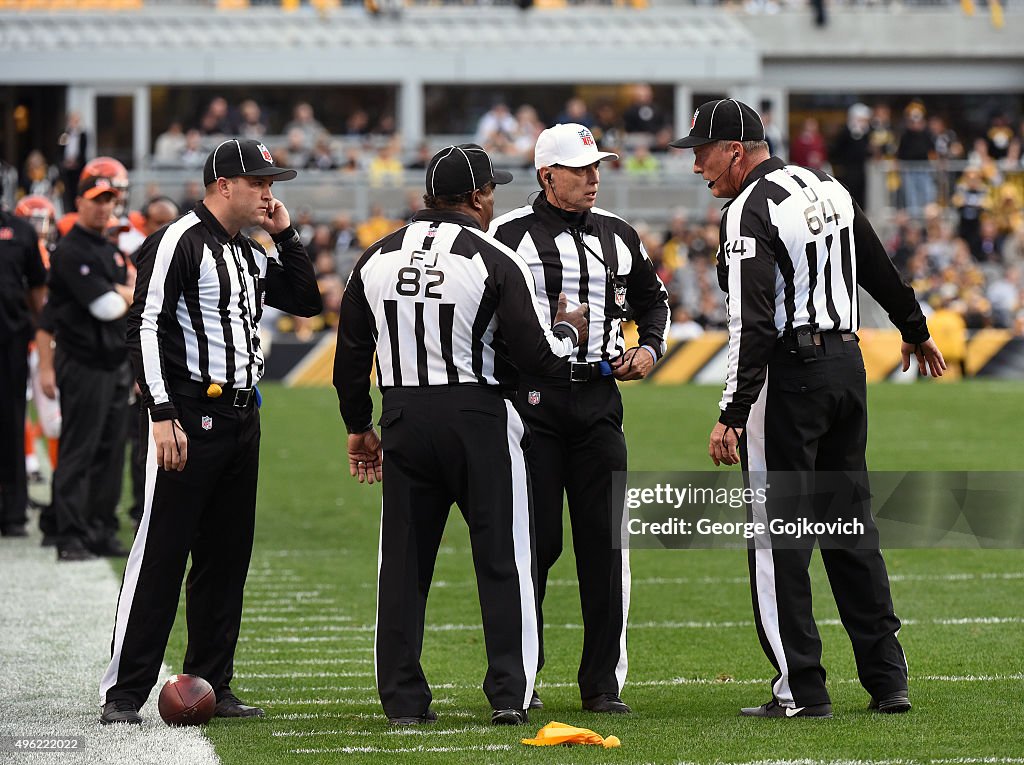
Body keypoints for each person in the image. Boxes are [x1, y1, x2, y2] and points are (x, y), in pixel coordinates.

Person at [670, 98, 946, 718]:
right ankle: (886, 679)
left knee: (779, 540)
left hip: (790, 376)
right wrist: (913, 324)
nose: (698, 168)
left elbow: (754, 322)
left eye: (703, 153)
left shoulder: (748, 209)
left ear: (735, 150)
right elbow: (875, 260)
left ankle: (801, 688)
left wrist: (732, 410)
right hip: (847, 366)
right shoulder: (826, 185)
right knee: (850, 528)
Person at [333, 143, 589, 727]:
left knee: (402, 564)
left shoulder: (374, 257)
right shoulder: (494, 256)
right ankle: (508, 693)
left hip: (401, 416)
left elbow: (349, 360)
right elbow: (540, 356)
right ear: (477, 196)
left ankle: (402, 700)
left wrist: (359, 427)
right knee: (504, 556)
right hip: (477, 416)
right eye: (490, 190)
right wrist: (569, 331)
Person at [98, 139, 321, 725]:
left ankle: (211, 681)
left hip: (242, 418)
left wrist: (287, 234)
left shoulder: (246, 250)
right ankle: (124, 692)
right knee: (162, 554)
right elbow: (142, 325)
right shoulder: (178, 240)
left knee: (226, 558)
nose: (270, 192)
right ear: (225, 184)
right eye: (261, 182)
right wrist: (162, 412)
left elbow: (304, 298)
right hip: (190, 415)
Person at [488, 123, 671, 715]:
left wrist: (650, 348)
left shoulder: (618, 235)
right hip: (530, 409)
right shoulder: (506, 235)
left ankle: (601, 685)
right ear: (547, 176)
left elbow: (654, 299)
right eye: (581, 169)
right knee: (533, 549)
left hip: (598, 404)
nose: (594, 178)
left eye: (597, 168)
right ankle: (522, 679)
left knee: (605, 548)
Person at [46, 175, 134, 561]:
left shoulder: (108, 250)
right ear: (79, 201)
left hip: (114, 361)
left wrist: (121, 291)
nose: (103, 207)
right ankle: (69, 534)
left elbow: (119, 299)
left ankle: (100, 529)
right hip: (83, 361)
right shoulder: (71, 250)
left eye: (109, 200)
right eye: (96, 199)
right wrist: (129, 292)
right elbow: (108, 307)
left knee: (111, 452)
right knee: (80, 450)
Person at [0, 180, 48, 537]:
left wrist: (43, 332)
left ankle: (13, 511)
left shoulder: (18, 231)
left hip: (9, 341)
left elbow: (36, 286)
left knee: (12, 423)